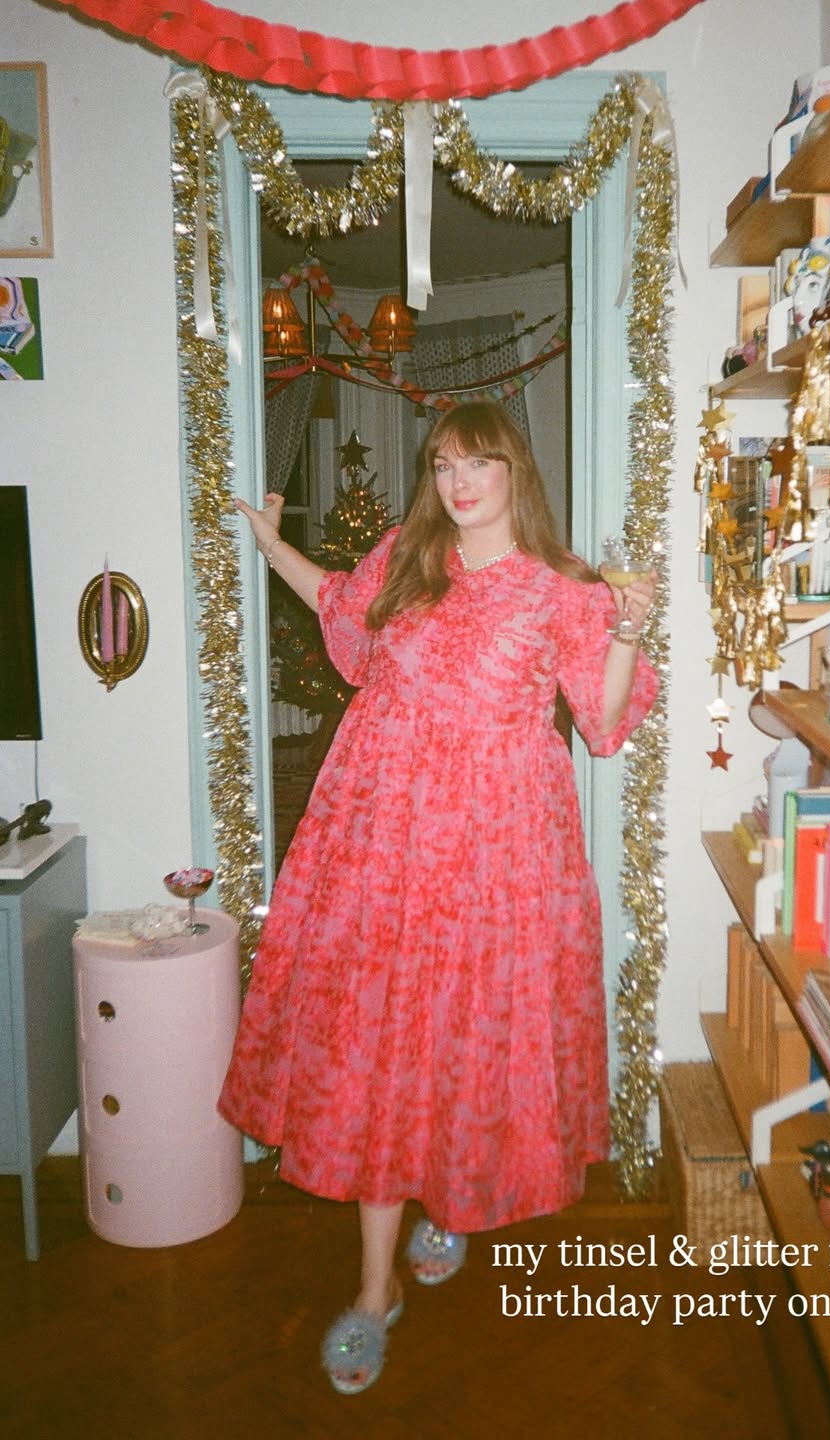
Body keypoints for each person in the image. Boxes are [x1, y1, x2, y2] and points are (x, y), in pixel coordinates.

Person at [218, 400, 659, 1395]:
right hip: (380, 844)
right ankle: (376, 1288)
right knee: (380, 1046)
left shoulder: (562, 587)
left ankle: (449, 1201)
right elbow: (339, 608)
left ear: (515, 472)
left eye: (478, 463)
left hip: (496, 857)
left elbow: (602, 723)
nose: (459, 483)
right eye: (445, 465)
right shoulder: (406, 559)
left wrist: (629, 626)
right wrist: (272, 546)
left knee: (462, 1036)